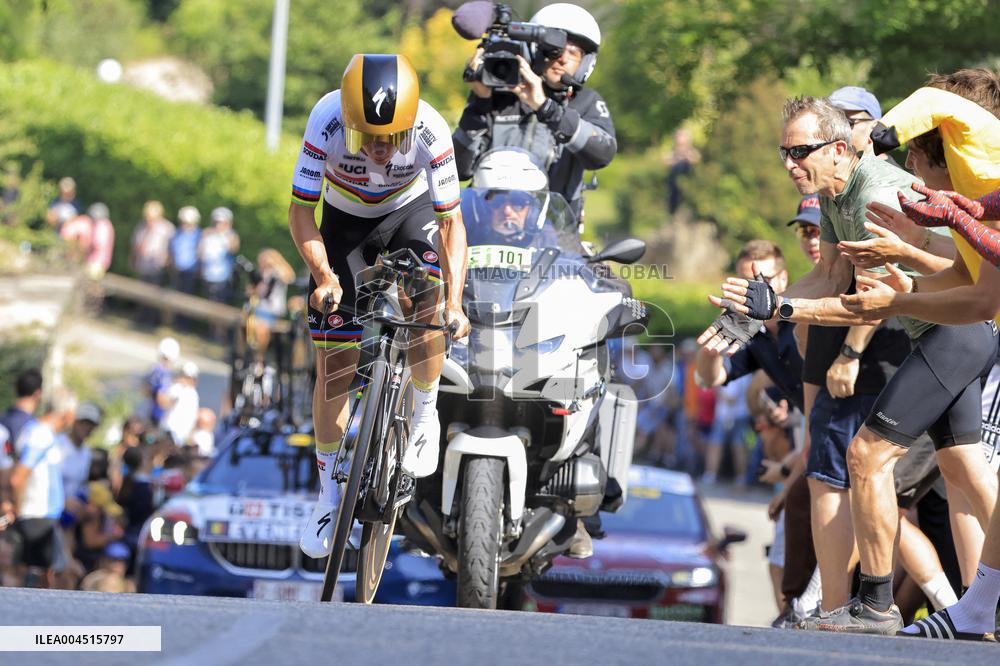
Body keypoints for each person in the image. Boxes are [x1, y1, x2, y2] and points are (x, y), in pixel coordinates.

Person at [704, 96, 998, 634]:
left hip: (954, 332)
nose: (790, 163)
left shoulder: (873, 195)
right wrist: (756, 315)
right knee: (967, 475)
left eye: (800, 151)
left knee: (865, 456)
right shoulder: (836, 196)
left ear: (839, 150)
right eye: (783, 153)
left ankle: (877, 605)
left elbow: (864, 303)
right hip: (952, 332)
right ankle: (979, 610)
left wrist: (783, 308)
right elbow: (830, 280)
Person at [287, 54, 470, 559]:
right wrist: (324, 276)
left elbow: (453, 225)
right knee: (336, 366)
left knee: (428, 300)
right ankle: (327, 498)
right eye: (365, 137)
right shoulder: (324, 120)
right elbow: (302, 213)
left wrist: (454, 303)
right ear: (346, 122)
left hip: (410, 213)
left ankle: (426, 410)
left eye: (391, 138)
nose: (379, 149)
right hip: (344, 223)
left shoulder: (432, 129)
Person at [453, 3, 616, 222]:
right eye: (554, 49)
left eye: (574, 52)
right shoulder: (500, 94)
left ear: (586, 62)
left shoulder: (586, 102)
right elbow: (459, 170)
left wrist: (546, 108)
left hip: (556, 235)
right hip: (487, 225)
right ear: (536, 50)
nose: (563, 59)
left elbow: (602, 154)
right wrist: (479, 103)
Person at [10, 389, 77, 589]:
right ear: (66, 413)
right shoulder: (41, 434)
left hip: (43, 516)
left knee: (48, 574)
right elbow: (19, 476)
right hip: (37, 515)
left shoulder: (40, 432)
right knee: (41, 579)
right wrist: (19, 507)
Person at [251, 249, 296, 361]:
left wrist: (275, 264)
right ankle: (243, 356)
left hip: (272, 310)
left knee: (261, 328)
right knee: (243, 324)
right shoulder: (262, 273)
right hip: (258, 308)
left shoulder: (278, 272)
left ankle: (258, 357)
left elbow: (290, 278)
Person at [56, 402, 102, 504]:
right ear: (75, 422)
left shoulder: (86, 452)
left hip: (74, 506)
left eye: (91, 425)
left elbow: (81, 486)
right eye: (84, 423)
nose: (87, 428)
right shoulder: (57, 444)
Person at [198, 207, 240, 303]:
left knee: (220, 304)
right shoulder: (207, 234)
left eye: (222, 222)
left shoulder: (231, 235)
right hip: (207, 276)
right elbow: (200, 254)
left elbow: (233, 249)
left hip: (223, 278)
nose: (218, 225)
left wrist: (225, 234)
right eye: (216, 222)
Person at [130, 200, 175, 286]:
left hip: (158, 269)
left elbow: (172, 249)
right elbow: (135, 245)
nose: (148, 220)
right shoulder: (141, 226)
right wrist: (133, 259)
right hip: (142, 267)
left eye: (151, 218)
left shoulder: (167, 228)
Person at [161, 362, 200, 447]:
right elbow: (165, 402)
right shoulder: (178, 388)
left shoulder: (193, 393)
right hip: (171, 431)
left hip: (182, 434)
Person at [145, 337, 180, 427]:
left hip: (149, 411)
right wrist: (174, 402)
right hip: (157, 417)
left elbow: (146, 390)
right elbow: (161, 399)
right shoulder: (165, 374)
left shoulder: (155, 369)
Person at [169, 205, 202, 295]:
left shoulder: (199, 234)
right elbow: (173, 250)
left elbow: (200, 254)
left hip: (191, 271)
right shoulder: (177, 233)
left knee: (188, 295)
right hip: (177, 270)